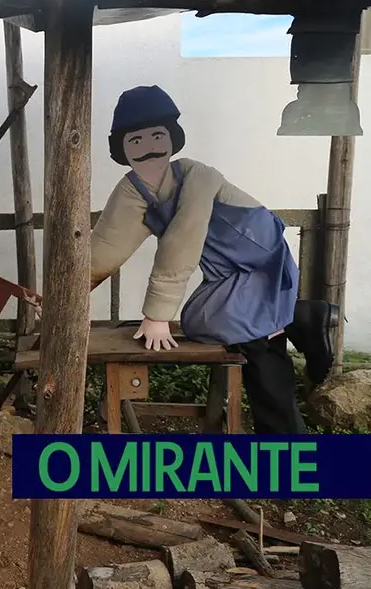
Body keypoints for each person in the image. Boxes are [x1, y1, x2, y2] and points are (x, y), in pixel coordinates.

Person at [89, 84, 340, 434]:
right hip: (224, 275)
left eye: (156, 136)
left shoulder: (197, 175)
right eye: (135, 141)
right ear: (122, 148)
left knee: (256, 341)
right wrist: (59, 294)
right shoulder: (134, 189)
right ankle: (300, 317)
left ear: (172, 138)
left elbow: (182, 240)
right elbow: (105, 246)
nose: (147, 148)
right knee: (197, 322)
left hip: (257, 260)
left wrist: (157, 315)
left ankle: (285, 449)